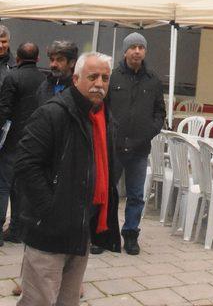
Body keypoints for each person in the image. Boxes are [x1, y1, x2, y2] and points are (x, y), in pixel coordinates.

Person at [13, 52, 120, 306]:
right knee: (38, 301)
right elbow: (26, 165)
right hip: (49, 230)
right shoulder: (53, 113)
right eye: (92, 76)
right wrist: (49, 209)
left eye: (105, 78)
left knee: (68, 301)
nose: (99, 83)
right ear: (76, 79)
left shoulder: (102, 117)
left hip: (81, 227)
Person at [107, 32, 165, 254]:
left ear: (145, 51)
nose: (137, 51)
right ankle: (103, 233)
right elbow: (104, 109)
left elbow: (160, 112)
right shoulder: (113, 78)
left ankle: (130, 234)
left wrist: (148, 132)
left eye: (141, 47)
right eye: (133, 47)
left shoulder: (153, 80)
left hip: (140, 149)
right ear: (125, 51)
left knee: (136, 195)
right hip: (114, 147)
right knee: (108, 192)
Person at [0, 42, 42, 244]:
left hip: (12, 140)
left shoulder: (12, 77)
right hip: (34, 140)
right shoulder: (44, 79)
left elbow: (4, 110)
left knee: (3, 185)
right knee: (22, 188)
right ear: (38, 59)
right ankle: (18, 229)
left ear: (16, 59)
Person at [36, 40, 79, 107]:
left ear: (72, 63)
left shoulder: (79, 89)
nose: (53, 65)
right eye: (52, 60)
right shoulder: (44, 86)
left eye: (60, 60)